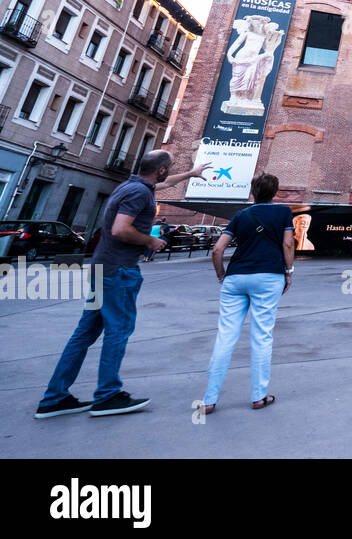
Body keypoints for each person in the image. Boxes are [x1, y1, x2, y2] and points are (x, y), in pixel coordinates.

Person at [35, 151, 210, 418]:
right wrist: (150, 241)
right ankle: (107, 395)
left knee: (85, 332)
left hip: (102, 267)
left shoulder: (131, 186)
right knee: (118, 330)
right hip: (118, 270)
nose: (168, 173)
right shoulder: (139, 193)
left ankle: (54, 397)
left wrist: (189, 173)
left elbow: (162, 185)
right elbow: (120, 229)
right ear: (160, 170)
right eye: (169, 168)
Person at [202, 172, 296, 413]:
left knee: (225, 336)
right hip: (268, 275)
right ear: (275, 192)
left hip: (236, 278)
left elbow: (217, 250)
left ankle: (209, 400)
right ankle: (258, 396)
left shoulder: (240, 215)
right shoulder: (283, 212)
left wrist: (221, 275)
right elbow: (287, 244)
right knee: (262, 336)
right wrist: (289, 271)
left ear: (253, 192)